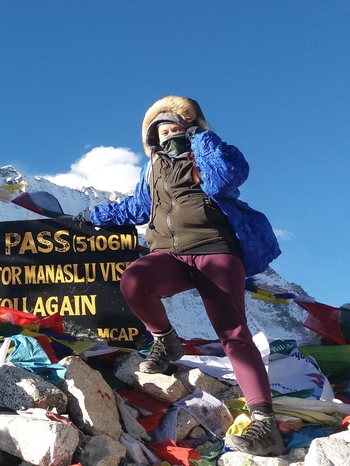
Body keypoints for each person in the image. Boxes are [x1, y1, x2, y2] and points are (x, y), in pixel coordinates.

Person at [87, 96, 284, 456]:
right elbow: (135, 208)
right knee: (134, 280)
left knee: (233, 334)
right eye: (160, 130)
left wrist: (199, 139)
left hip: (215, 248)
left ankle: (264, 423)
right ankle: (165, 339)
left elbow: (224, 181)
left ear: (189, 129)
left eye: (175, 127)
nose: (167, 134)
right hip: (167, 253)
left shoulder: (211, 153)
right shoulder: (151, 170)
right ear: (152, 139)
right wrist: (93, 216)